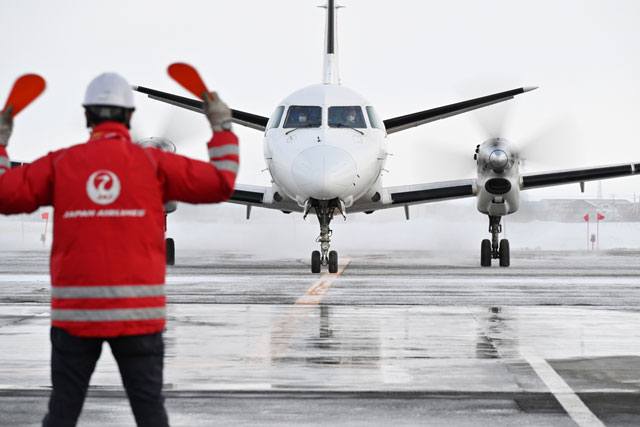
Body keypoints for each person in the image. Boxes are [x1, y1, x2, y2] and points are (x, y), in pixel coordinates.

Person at [0, 72, 239, 427]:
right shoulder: (155, 164)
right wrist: (222, 127)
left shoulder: (60, 163)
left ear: (87, 115)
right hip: (138, 318)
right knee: (150, 413)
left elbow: (4, 194)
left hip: (75, 318)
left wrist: (0, 143)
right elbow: (222, 182)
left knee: (62, 412)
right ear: (129, 116)